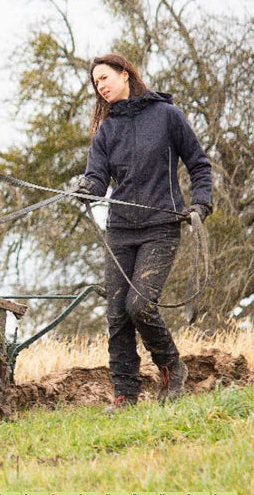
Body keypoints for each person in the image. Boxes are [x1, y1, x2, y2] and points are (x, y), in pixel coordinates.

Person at [72, 53, 212, 412]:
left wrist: (201, 204)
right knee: (117, 315)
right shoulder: (107, 130)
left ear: (124, 73)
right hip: (120, 229)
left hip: (160, 227)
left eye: (104, 78)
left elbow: (198, 164)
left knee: (140, 305)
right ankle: (125, 395)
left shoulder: (166, 116)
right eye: (95, 83)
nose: (100, 86)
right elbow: (98, 179)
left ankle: (171, 368)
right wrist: (86, 186)